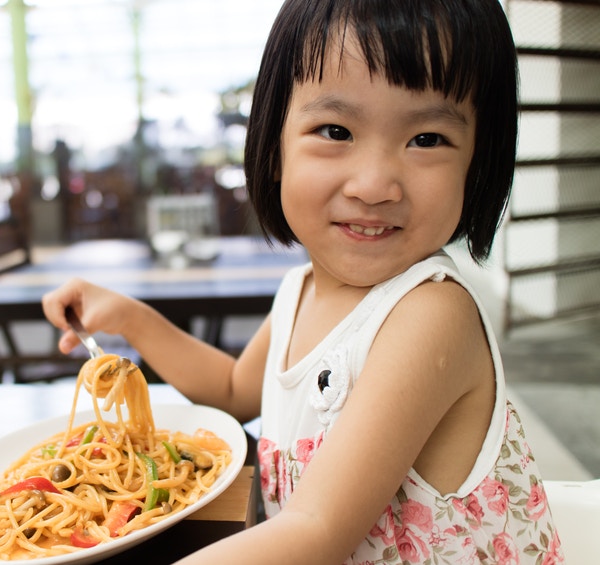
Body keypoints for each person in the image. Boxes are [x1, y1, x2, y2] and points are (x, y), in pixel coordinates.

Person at [42, 1, 563, 562]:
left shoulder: (432, 315)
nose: (374, 184)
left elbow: (316, 530)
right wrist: (130, 318)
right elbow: (232, 391)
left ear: (477, 163)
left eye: (427, 139)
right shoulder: (301, 290)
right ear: (274, 148)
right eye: (336, 131)